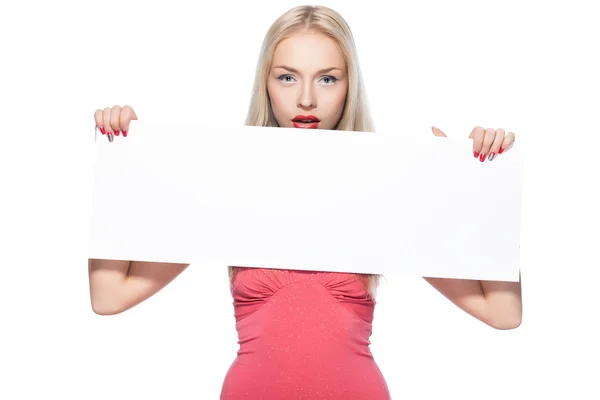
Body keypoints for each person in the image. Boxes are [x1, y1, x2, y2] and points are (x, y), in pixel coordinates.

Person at [89, 5, 522, 400]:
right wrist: (120, 162)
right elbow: (109, 296)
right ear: (266, 83)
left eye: (328, 78)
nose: (307, 99)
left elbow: (502, 312)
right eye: (287, 76)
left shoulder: (383, 182)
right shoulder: (231, 179)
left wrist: (480, 186)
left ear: (349, 85)